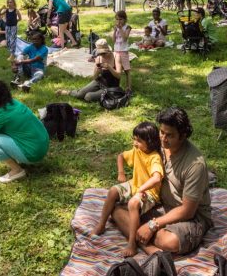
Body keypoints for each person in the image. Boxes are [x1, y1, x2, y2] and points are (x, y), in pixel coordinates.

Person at [127, 107, 212, 256]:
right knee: (117, 209)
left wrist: (152, 225)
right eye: (162, 132)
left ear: (183, 135)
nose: (163, 138)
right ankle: (146, 244)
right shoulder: (158, 147)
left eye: (170, 135)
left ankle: (137, 235)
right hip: (160, 204)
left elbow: (187, 211)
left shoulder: (195, 164)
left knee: (169, 241)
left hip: (190, 216)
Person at [93, 121, 165, 257]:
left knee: (133, 203)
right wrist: (121, 173)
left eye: (139, 141)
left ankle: (132, 243)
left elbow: (156, 178)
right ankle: (101, 224)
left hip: (149, 192)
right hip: (134, 185)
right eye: (134, 139)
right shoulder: (137, 151)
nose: (134, 143)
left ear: (150, 142)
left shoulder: (154, 157)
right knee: (113, 191)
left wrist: (141, 189)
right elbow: (120, 156)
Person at [56, 38, 122, 102]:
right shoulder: (98, 58)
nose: (102, 55)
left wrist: (110, 67)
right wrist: (97, 71)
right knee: (80, 94)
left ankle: (103, 95)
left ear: (108, 50)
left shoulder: (116, 56)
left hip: (111, 87)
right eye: (100, 53)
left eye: (104, 53)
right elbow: (94, 77)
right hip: (99, 82)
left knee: (88, 97)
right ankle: (67, 92)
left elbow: (118, 76)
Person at [111, 11, 132, 91]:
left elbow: (125, 38)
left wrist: (120, 29)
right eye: (117, 19)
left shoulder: (127, 27)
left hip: (123, 51)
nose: (118, 21)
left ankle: (129, 87)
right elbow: (113, 40)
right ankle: (116, 86)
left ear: (125, 19)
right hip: (116, 51)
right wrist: (114, 31)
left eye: (120, 19)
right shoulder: (116, 28)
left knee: (127, 70)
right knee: (116, 69)